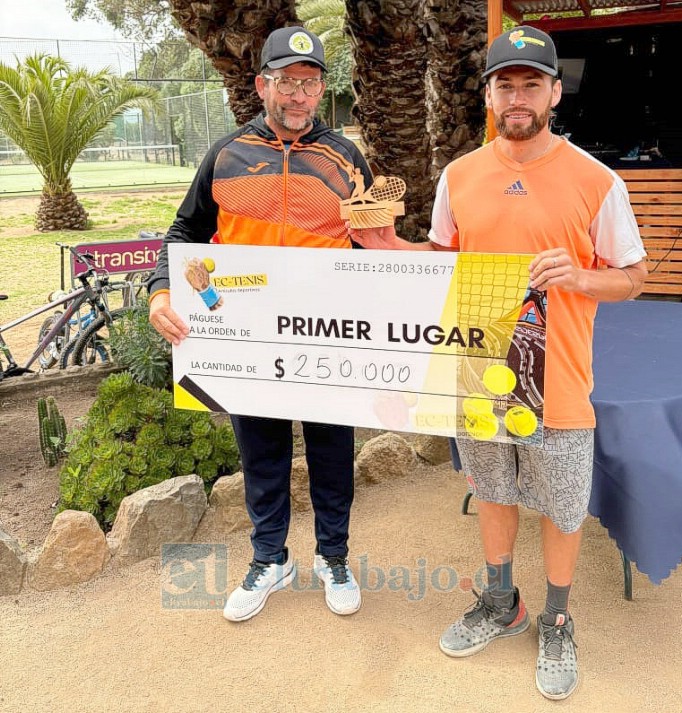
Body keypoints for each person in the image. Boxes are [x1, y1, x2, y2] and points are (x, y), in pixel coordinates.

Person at [350, 25, 647, 700]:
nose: (517, 97)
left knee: (562, 507)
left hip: (561, 381)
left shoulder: (595, 182)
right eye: (504, 84)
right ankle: (500, 601)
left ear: (554, 90)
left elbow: (632, 276)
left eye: (530, 83)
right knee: (490, 489)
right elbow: (444, 262)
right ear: (487, 93)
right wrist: (390, 247)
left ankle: (557, 616)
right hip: (477, 373)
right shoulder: (460, 175)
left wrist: (577, 275)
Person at [148, 26, 373, 622]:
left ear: (322, 89)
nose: (299, 97)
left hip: (327, 336)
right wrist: (161, 291)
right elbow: (184, 233)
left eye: (310, 84)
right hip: (247, 339)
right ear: (262, 85)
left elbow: (376, 248)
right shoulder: (226, 154)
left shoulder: (346, 158)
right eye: (287, 83)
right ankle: (271, 559)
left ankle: (333, 557)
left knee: (332, 451)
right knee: (262, 451)